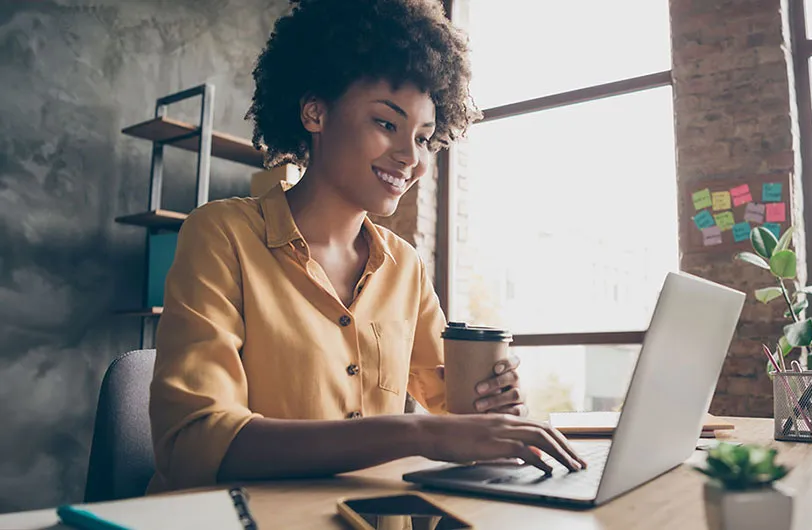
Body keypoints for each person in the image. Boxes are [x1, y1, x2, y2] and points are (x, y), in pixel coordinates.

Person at [147, 0, 585, 493]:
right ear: (315, 111)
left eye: (423, 137)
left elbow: (454, 409)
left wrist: (498, 406)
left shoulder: (404, 267)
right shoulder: (221, 235)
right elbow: (194, 443)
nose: (410, 158)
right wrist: (416, 431)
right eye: (386, 123)